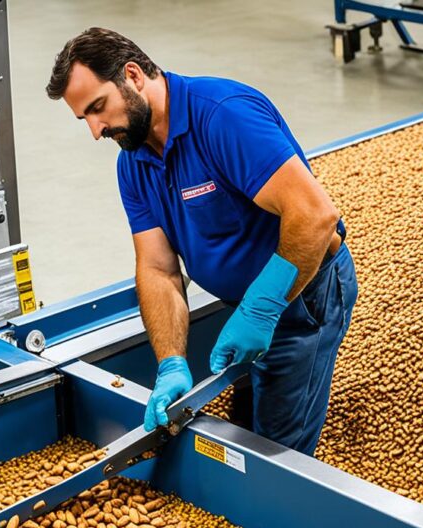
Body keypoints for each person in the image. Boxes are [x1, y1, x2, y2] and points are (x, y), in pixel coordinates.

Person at [46, 28, 357, 456]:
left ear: (133, 76)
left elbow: (316, 217)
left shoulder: (222, 116)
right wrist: (171, 362)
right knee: (246, 423)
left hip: (302, 298)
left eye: (98, 108)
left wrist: (262, 307)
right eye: (85, 119)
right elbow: (157, 268)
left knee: (275, 454)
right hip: (247, 305)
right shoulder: (133, 161)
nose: (96, 131)